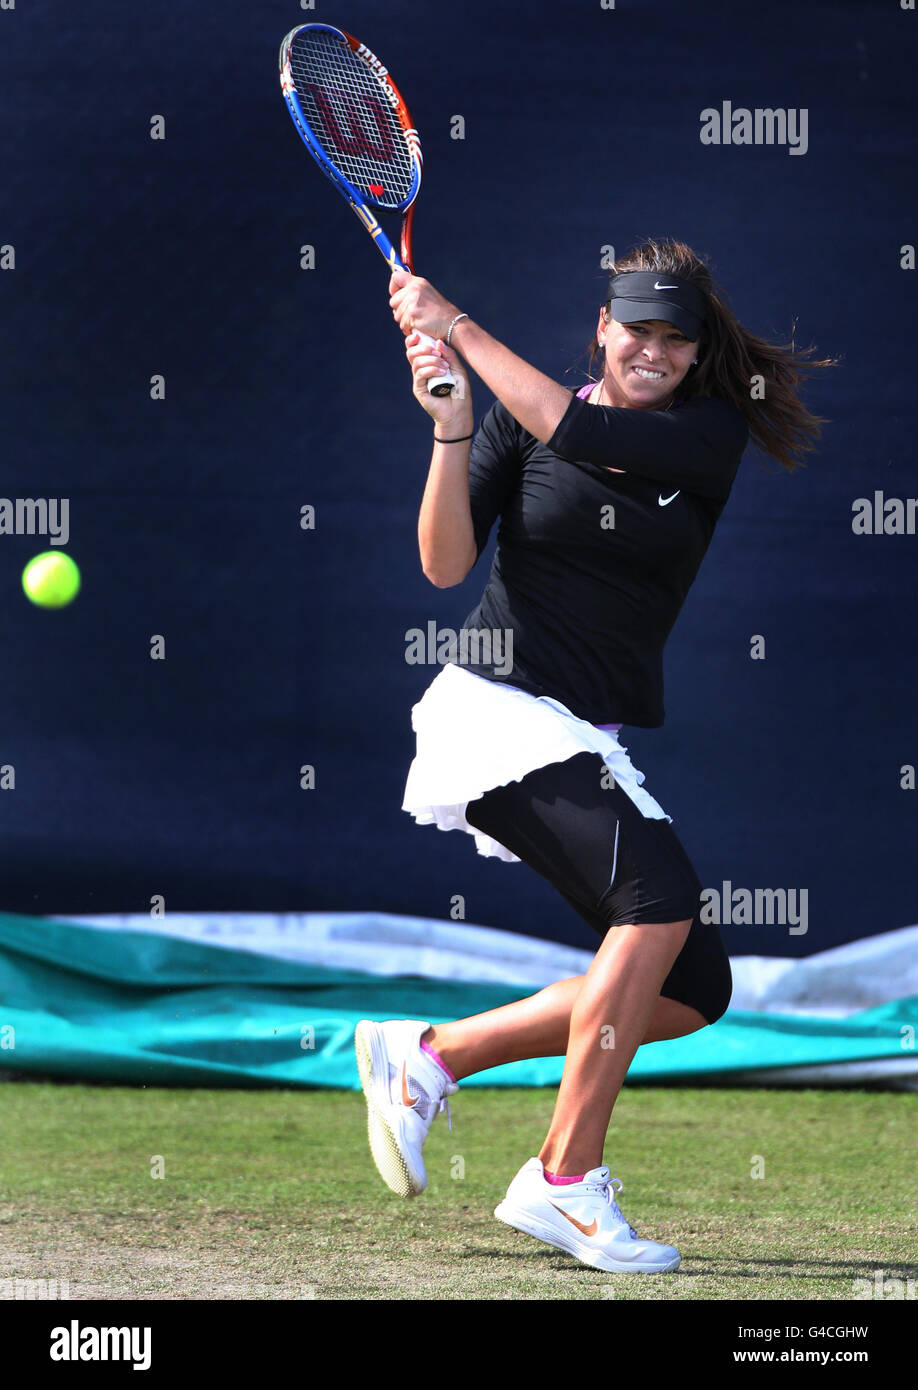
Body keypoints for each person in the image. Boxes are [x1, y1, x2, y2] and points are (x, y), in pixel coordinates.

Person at [354, 238, 836, 1275]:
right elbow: (444, 564)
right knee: (654, 908)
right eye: (637, 331)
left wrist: (458, 324)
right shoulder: (516, 425)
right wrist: (449, 428)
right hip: (493, 714)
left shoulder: (706, 438)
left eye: (675, 337)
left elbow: (577, 426)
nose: (653, 350)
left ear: (697, 356)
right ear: (602, 332)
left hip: (583, 735)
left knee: (692, 984)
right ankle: (563, 1179)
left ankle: (429, 1059)